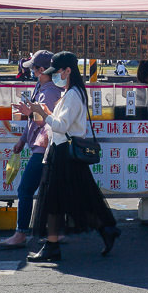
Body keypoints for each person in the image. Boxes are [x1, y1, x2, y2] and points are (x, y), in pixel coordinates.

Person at [26, 51, 120, 262]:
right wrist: (45, 111)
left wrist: (43, 113)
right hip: (62, 151)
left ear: (68, 71)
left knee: (54, 200)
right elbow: (60, 122)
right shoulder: (70, 93)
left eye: (57, 72)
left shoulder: (73, 95)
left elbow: (61, 126)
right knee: (76, 198)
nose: (55, 76)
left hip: (64, 153)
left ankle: (53, 246)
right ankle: (105, 229)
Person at [0, 51, 61, 249]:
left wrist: (30, 113)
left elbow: (47, 122)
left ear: (42, 70)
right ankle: (56, 233)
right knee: (48, 192)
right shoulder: (41, 88)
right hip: (40, 147)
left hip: (43, 149)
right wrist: (23, 139)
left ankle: (21, 233)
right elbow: (33, 122)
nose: (31, 72)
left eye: (33, 69)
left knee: (25, 190)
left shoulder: (50, 93)